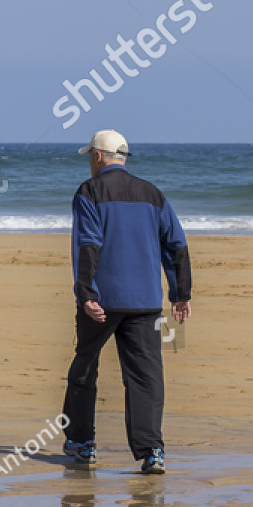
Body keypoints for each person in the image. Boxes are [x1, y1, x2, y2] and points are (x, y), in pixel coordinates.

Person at [60, 130, 191, 474]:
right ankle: (152, 452)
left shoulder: (89, 191)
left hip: (102, 301)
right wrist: (180, 294)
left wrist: (86, 294)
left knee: (85, 368)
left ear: (98, 157)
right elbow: (176, 244)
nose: (89, 161)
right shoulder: (153, 194)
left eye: (90, 156)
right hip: (146, 302)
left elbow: (88, 244)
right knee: (146, 376)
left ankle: (82, 443)